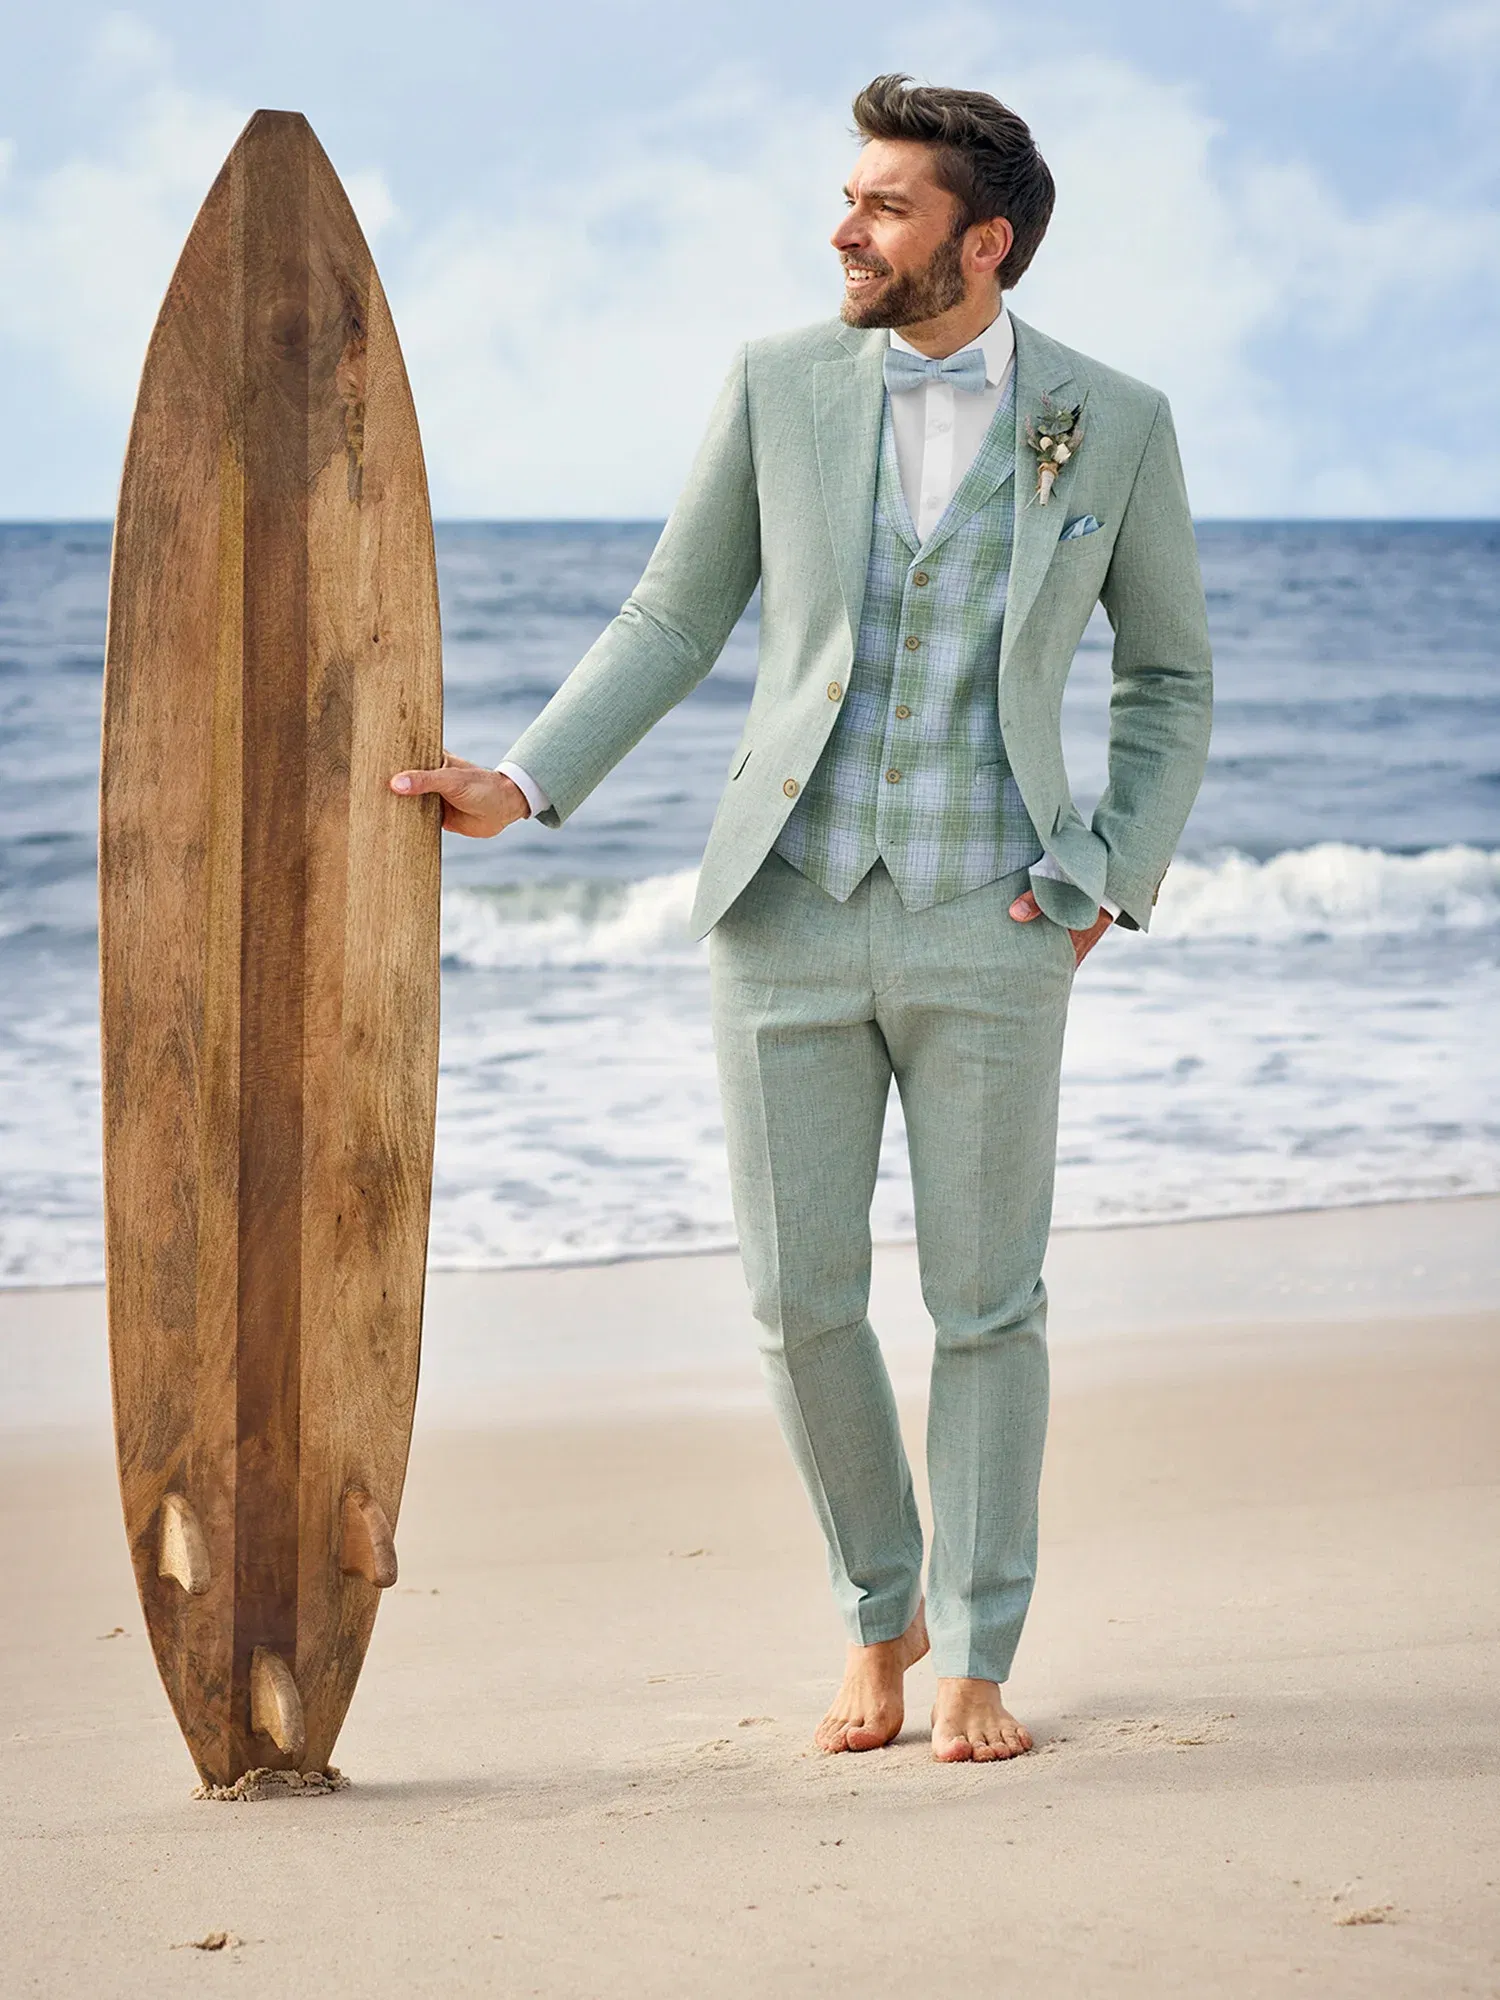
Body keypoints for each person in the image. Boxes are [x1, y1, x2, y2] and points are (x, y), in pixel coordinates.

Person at [392, 74, 1212, 1763]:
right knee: (796, 1300)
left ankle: (979, 1653)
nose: (845, 229)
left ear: (983, 243)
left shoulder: (1114, 419)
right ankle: (879, 1611)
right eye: (847, 200)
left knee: (989, 1305)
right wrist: (526, 784)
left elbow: (1171, 675)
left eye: (886, 206)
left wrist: (1108, 874)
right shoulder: (777, 383)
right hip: (782, 910)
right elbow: (677, 613)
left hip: (998, 918)